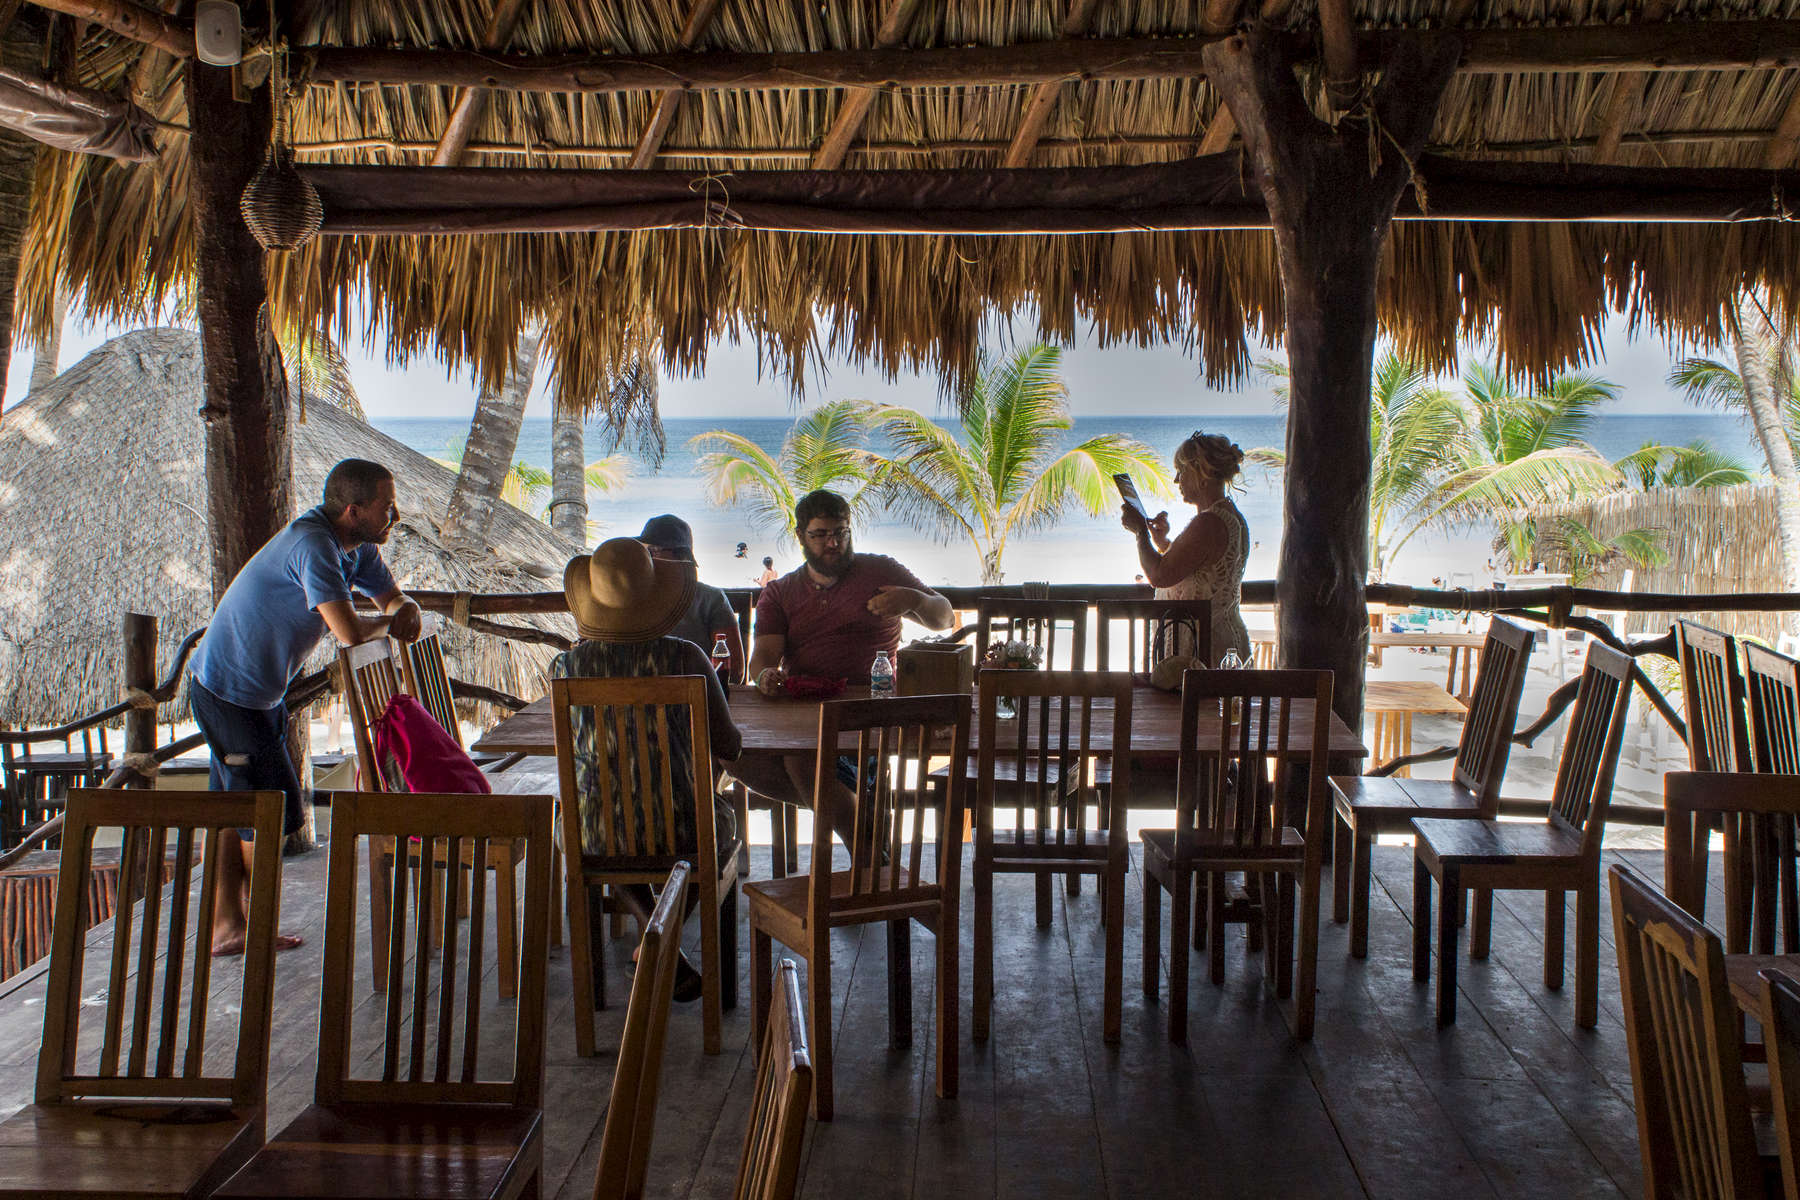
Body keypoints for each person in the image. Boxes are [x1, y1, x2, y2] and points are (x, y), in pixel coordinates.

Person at [188, 458, 423, 955]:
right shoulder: (314, 545)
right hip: (228, 692)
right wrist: (396, 621)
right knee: (274, 813)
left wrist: (405, 609)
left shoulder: (353, 548)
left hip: (255, 695)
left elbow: (391, 601)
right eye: (388, 507)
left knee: (237, 811)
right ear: (354, 511)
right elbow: (351, 632)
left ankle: (229, 925)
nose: (395, 516)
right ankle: (247, 926)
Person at [552, 537, 744, 1002]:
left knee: (608, 830)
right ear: (657, 597)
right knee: (720, 828)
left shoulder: (566, 666)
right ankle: (662, 939)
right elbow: (729, 746)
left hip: (595, 830)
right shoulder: (686, 659)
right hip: (684, 828)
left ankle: (649, 932)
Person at [732, 489, 954, 831]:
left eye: (840, 532)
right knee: (731, 754)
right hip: (804, 710)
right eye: (820, 535)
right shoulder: (781, 592)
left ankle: (857, 833)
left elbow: (944, 618)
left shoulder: (879, 570)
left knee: (803, 760)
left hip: (871, 710)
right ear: (800, 537)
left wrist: (912, 600)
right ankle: (862, 828)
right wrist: (764, 677)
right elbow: (762, 658)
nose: (832, 543)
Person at [1120, 431, 1251, 665]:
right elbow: (1201, 569)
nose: (1176, 480)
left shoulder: (1208, 523)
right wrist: (1163, 544)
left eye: (1181, 472)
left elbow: (1159, 576)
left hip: (1202, 651)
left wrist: (1140, 533)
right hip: (1223, 640)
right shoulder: (1232, 517)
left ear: (1202, 475)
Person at [638, 514, 744, 680]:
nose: (647, 557)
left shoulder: (711, 600)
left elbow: (734, 669)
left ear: (681, 556)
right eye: (644, 551)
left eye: (653, 550)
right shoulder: (632, 597)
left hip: (700, 699)